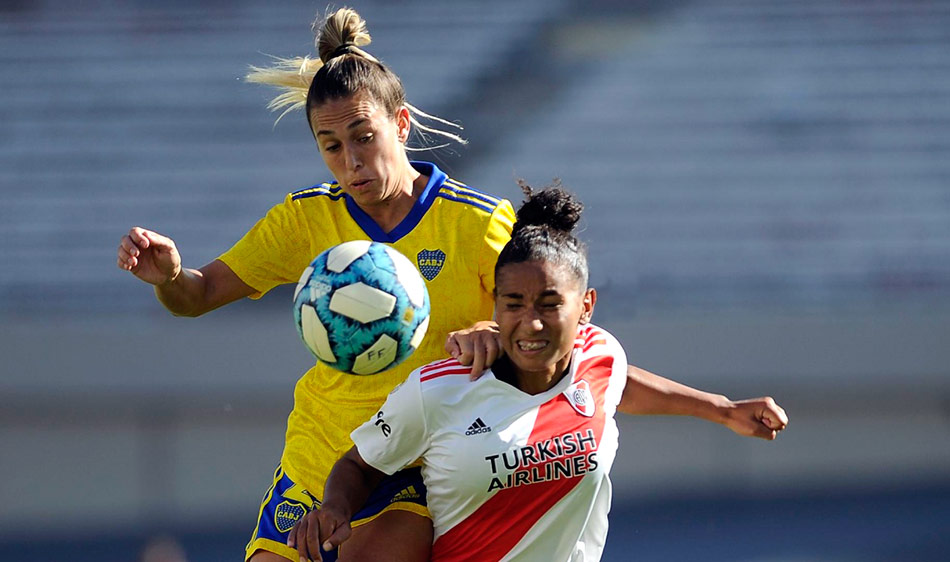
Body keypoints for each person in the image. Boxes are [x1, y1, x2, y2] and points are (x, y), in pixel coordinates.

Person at [116, 7, 787, 562]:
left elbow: (568, 351)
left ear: (400, 124)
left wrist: (717, 407)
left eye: (363, 136)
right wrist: (171, 276)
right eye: (330, 145)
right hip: (321, 453)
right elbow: (197, 298)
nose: (351, 161)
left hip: (421, 467)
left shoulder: (479, 225)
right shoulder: (303, 220)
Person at [287, 185, 786, 562]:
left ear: (586, 306)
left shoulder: (599, 356)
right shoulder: (439, 389)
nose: (531, 322)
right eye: (514, 303)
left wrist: (722, 410)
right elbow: (360, 464)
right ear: (496, 306)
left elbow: (621, 382)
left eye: (550, 304)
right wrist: (334, 508)